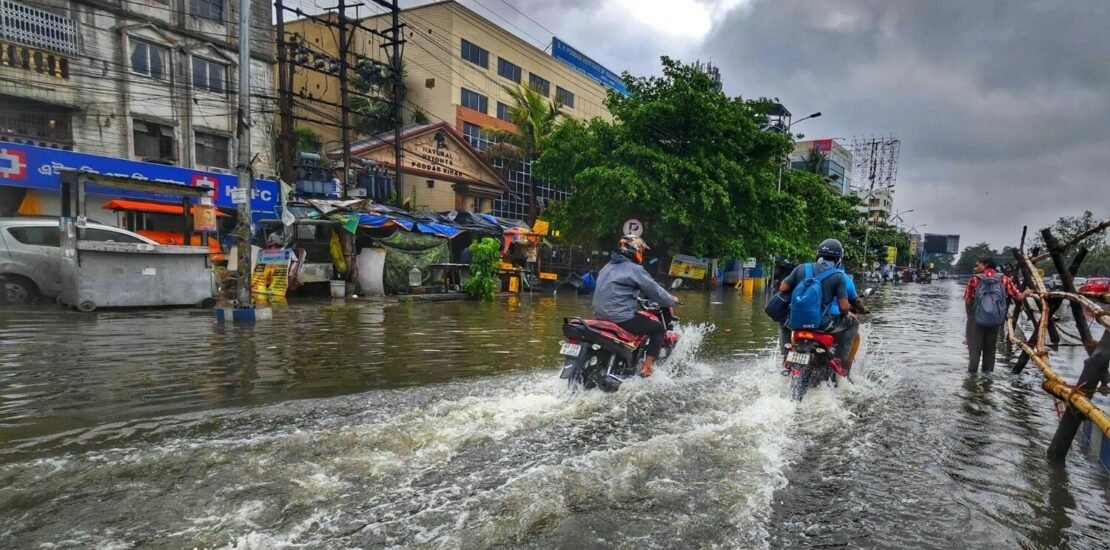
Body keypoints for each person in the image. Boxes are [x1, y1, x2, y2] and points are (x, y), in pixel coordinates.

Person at [593, 235, 678, 378]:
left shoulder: (607, 267)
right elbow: (654, 290)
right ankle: (647, 367)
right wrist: (671, 300)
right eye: (642, 252)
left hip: (600, 316)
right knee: (657, 329)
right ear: (636, 251)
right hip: (620, 318)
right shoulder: (634, 269)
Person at [779, 239, 859, 377]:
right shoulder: (839, 276)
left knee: (782, 320)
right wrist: (847, 314)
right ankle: (838, 359)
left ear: (817, 255)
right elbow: (844, 308)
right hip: (822, 323)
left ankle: (785, 355)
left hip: (795, 322)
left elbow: (782, 288)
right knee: (854, 323)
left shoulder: (801, 268)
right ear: (838, 259)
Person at [965, 258, 1031, 374]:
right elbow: (1018, 297)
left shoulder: (974, 279)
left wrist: (970, 317)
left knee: (974, 350)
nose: (975, 268)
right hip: (996, 320)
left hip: (976, 319)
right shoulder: (1005, 279)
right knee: (990, 349)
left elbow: (968, 300)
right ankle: (988, 378)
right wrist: (1026, 293)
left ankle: (971, 379)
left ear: (985, 265)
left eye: (977, 265)